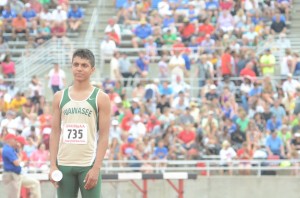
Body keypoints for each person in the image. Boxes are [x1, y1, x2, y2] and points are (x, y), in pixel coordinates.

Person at [49, 49, 111, 198]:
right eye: (76, 64)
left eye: (84, 65)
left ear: (92, 69)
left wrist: (96, 168)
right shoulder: (59, 97)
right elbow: (55, 132)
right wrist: (52, 165)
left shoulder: (101, 98)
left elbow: (104, 136)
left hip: (88, 165)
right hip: (63, 164)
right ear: (71, 67)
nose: (79, 68)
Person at [2, 133, 41, 198]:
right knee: (14, 196)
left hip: (18, 175)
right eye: (14, 140)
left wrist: (19, 148)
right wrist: (20, 157)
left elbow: (19, 156)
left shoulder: (12, 149)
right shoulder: (7, 149)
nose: (15, 141)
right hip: (11, 175)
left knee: (35, 183)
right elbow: (17, 163)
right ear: (10, 140)